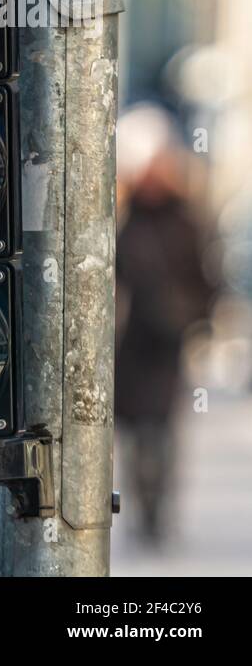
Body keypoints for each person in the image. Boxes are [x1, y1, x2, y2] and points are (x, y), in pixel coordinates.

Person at [115, 104, 217, 546]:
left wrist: (194, 319)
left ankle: (159, 510)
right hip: (132, 345)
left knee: (164, 432)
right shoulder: (124, 220)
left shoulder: (186, 220)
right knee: (136, 433)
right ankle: (142, 507)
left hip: (168, 344)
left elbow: (206, 279)